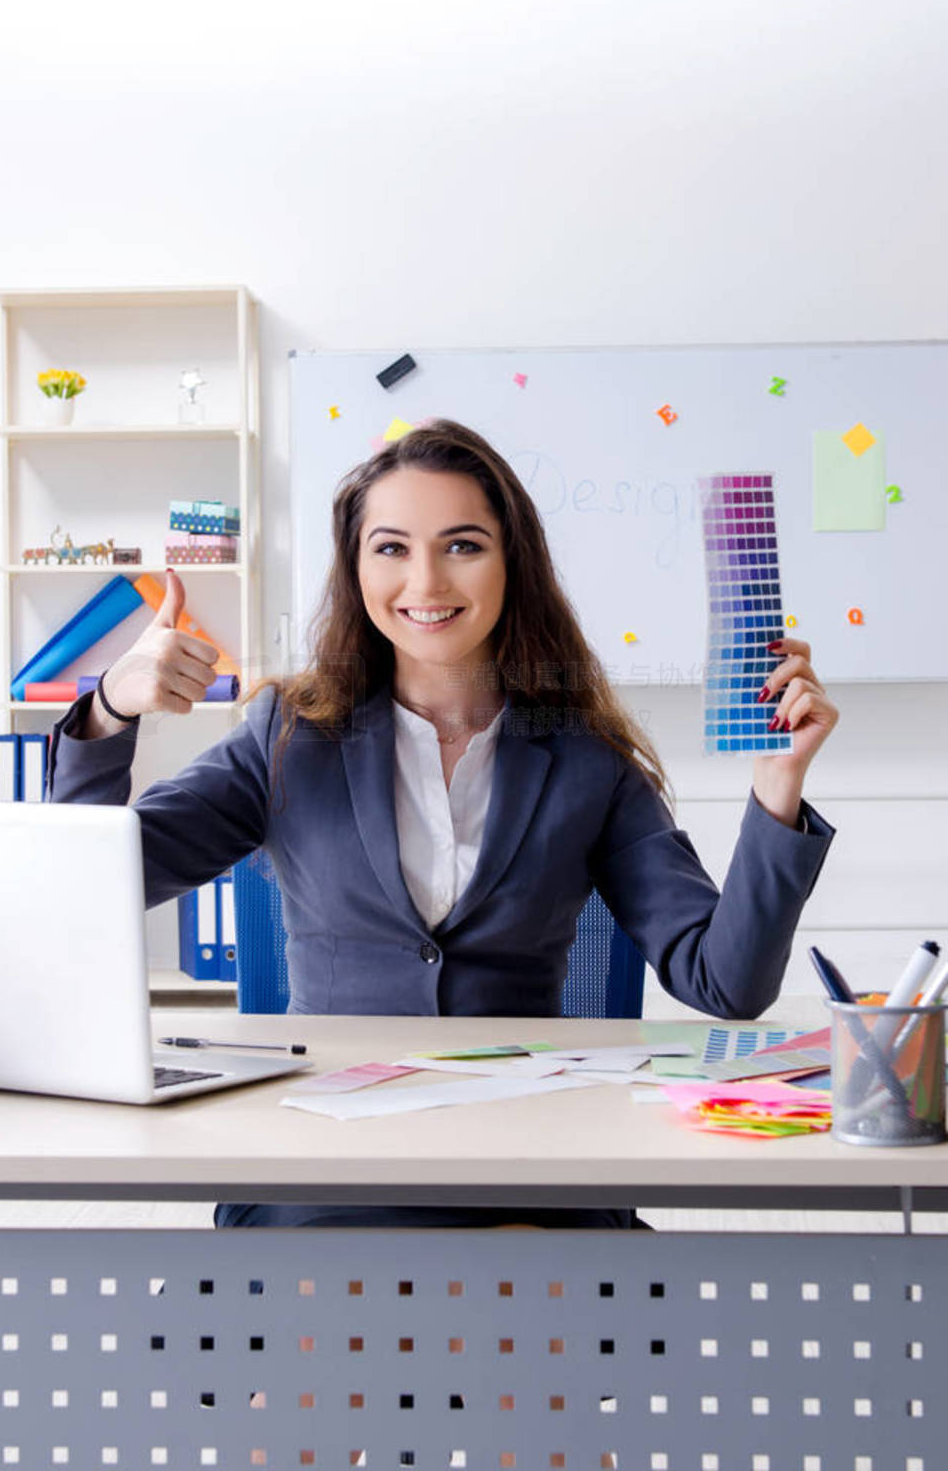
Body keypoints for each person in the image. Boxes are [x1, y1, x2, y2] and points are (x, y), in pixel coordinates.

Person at [48, 419, 838, 1228]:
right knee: (365, 1299)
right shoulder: (289, 733)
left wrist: (778, 787)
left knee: (519, 1281)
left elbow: (725, 981)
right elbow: (83, 890)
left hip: (525, 1155)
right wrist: (110, 710)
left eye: (462, 545)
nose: (425, 580)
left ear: (511, 562)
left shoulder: (585, 758)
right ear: (356, 568)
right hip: (329, 1168)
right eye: (390, 548)